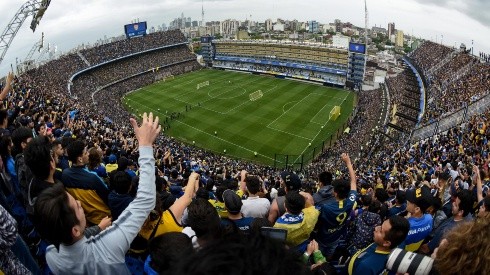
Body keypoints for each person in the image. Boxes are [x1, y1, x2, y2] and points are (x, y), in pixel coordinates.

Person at [33, 112, 161, 274]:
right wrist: (145, 145)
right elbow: (146, 200)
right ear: (75, 230)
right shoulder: (109, 245)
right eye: (77, 206)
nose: (80, 203)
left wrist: (98, 228)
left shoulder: (51, 254)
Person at [316, 153, 357, 259]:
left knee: (318, 257)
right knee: (329, 255)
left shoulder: (325, 208)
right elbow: (353, 181)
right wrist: (348, 163)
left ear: (335, 193)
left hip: (323, 238)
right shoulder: (350, 202)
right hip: (336, 238)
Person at [61, 139, 110, 225]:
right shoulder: (93, 177)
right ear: (80, 159)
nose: (88, 154)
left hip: (83, 218)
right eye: (85, 152)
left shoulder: (65, 174)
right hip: (100, 219)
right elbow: (107, 196)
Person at [403, 185, 433, 251]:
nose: (407, 200)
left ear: (417, 209)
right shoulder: (430, 218)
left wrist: (407, 219)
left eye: (410, 201)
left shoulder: (405, 226)